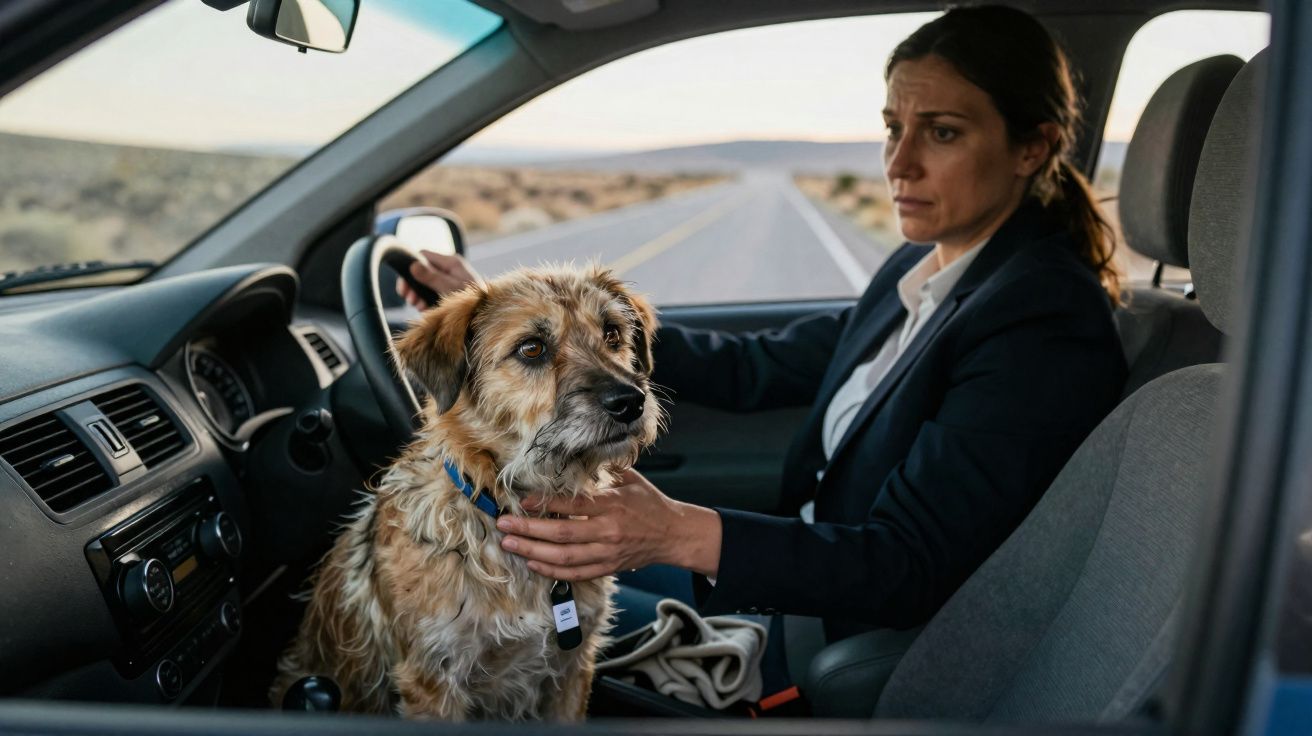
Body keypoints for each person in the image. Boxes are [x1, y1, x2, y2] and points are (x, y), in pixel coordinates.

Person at [398, 5, 1126, 649]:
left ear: (1032, 148)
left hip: (840, 635)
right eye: (892, 128)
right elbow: (757, 366)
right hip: (799, 583)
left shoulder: (1041, 324)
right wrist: (522, 320)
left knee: (499, 631)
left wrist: (675, 532)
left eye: (941, 133)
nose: (898, 164)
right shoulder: (930, 270)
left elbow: (909, 565)